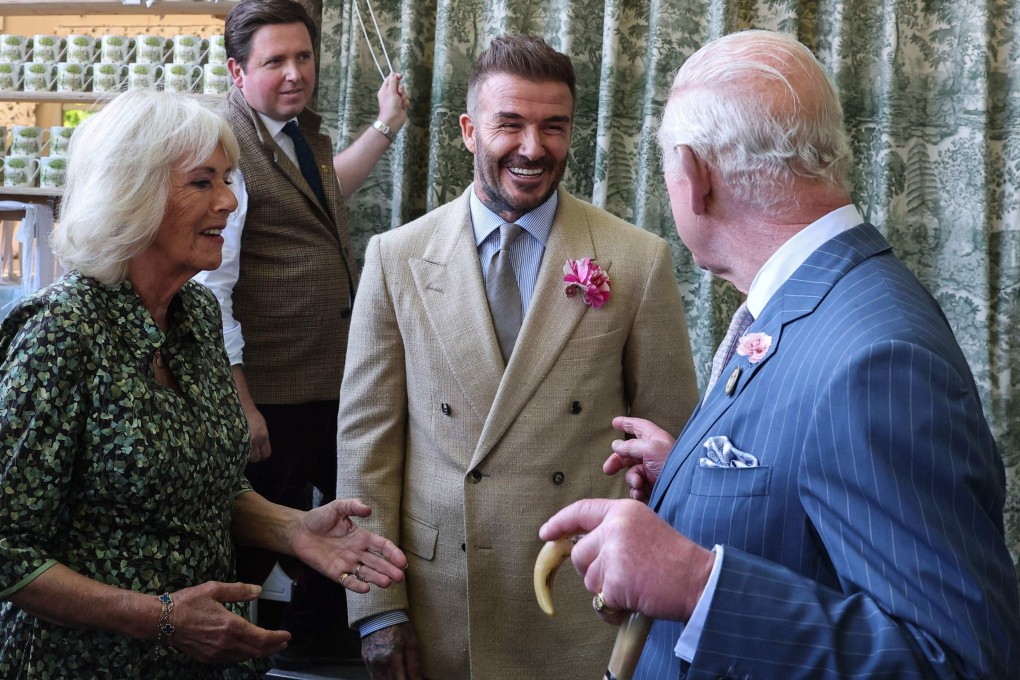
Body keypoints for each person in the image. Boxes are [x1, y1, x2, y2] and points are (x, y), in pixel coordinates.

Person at [540, 29, 1020, 679]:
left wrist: (695, 582)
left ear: (694, 176)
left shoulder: (875, 361)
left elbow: (960, 664)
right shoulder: (820, 294)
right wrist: (702, 480)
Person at [0, 89, 407, 679]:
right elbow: (9, 548)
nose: (229, 202)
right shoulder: (61, 332)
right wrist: (161, 617)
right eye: (202, 183)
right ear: (129, 194)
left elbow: (199, 483)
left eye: (230, 180)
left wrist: (291, 527)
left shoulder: (195, 313)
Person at [336, 33, 699, 680]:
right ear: (470, 131)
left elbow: (673, 446)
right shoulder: (396, 258)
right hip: (440, 600)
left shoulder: (638, 261)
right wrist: (376, 610)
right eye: (511, 124)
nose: (534, 148)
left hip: (581, 598)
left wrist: (660, 600)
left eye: (553, 127)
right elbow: (368, 446)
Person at [193, 0, 409, 666]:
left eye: (304, 57)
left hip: (329, 379)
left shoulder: (296, 133)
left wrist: (385, 125)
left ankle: (311, 646)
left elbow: (322, 194)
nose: (295, 74)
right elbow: (213, 289)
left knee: (349, 515)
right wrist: (241, 400)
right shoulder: (226, 145)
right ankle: (215, 652)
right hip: (272, 394)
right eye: (275, 62)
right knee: (259, 540)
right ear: (236, 71)